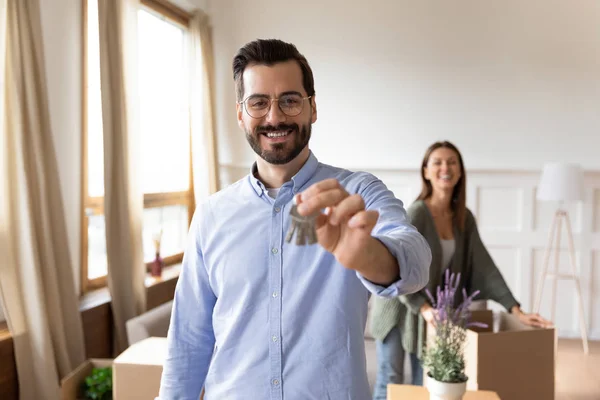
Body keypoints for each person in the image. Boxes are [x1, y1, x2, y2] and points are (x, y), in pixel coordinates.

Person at [157, 38, 432, 400]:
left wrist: (367, 255)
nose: (274, 117)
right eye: (258, 103)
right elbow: (189, 340)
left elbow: (416, 263)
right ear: (240, 113)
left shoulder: (356, 192)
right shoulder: (211, 215)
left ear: (312, 108)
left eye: (289, 100)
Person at [369, 141, 551, 400]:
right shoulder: (417, 213)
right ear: (426, 171)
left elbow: (485, 268)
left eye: (452, 162)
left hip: (433, 314)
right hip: (399, 309)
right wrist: (423, 308)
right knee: (390, 380)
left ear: (460, 171)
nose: (446, 167)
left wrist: (515, 309)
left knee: (426, 384)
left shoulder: (464, 217)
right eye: (438, 162)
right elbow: (399, 267)